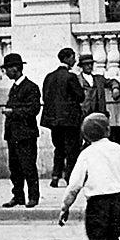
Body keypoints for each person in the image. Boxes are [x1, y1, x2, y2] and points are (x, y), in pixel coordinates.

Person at [0, 53, 40, 208]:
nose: (6, 72)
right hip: (13, 134)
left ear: (15, 68)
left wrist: (12, 112)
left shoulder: (31, 87)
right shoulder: (15, 87)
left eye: (8, 69)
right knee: (14, 168)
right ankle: (18, 196)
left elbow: (33, 109)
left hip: (26, 134)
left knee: (28, 167)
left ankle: (33, 197)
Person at [41, 48, 85, 189]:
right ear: (67, 58)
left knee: (58, 148)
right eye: (73, 57)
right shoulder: (70, 77)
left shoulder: (49, 77)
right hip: (69, 120)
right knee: (71, 149)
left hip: (54, 120)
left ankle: (55, 176)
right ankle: (69, 177)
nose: (74, 60)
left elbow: (45, 97)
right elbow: (80, 96)